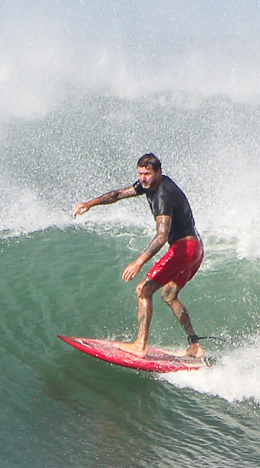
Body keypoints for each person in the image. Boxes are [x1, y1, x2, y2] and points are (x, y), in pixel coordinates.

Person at [72, 153, 206, 359]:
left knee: (144, 289)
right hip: (195, 248)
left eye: (148, 174)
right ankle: (195, 345)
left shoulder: (162, 194)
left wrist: (138, 262)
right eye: (140, 174)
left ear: (159, 172)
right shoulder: (149, 185)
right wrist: (89, 204)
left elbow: (162, 236)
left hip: (184, 248)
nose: (143, 178)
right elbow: (117, 195)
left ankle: (140, 345)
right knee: (169, 294)